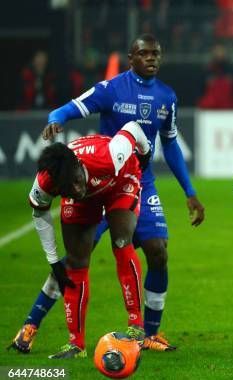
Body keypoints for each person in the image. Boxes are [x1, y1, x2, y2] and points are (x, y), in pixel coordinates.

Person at [9, 33, 204, 354]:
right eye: (145, 54)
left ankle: (149, 333)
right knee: (73, 262)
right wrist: (56, 120)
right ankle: (31, 326)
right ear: (131, 58)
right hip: (94, 177)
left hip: (135, 179)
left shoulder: (167, 97)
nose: (152, 59)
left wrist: (190, 191)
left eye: (157, 54)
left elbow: (169, 143)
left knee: (157, 250)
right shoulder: (111, 89)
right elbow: (67, 109)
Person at [26, 122, 151, 358]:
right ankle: (76, 345)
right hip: (87, 203)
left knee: (122, 241)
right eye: (67, 188)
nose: (75, 189)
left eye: (75, 180)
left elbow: (133, 128)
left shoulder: (109, 155)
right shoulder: (46, 183)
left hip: (120, 181)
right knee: (75, 264)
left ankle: (136, 326)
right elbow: (40, 214)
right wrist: (53, 260)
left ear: (78, 165)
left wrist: (144, 154)